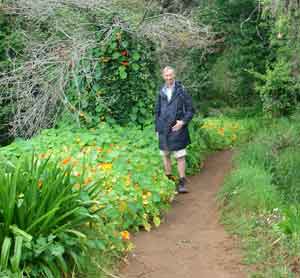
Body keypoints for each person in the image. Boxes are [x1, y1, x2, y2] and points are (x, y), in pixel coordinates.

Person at [155, 66, 194, 193]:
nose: (169, 78)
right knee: (165, 154)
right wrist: (157, 129)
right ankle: (170, 182)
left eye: (171, 75)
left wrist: (182, 122)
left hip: (177, 128)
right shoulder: (161, 92)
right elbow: (157, 111)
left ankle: (182, 183)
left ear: (174, 75)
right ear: (163, 76)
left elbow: (190, 110)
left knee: (180, 156)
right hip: (163, 128)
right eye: (166, 75)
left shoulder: (182, 90)